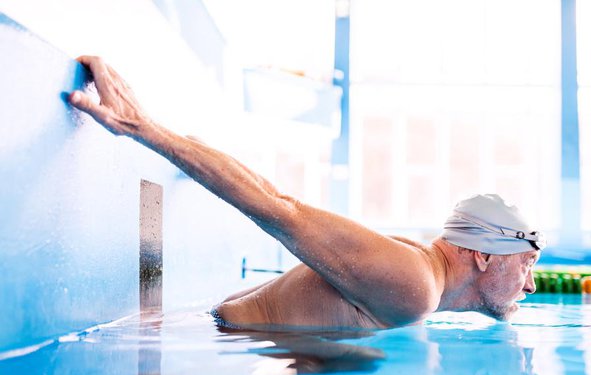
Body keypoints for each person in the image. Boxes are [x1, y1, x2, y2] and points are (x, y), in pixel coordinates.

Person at [68, 56, 545, 330]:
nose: (530, 285)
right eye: (527, 263)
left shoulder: (416, 270)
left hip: (205, 331)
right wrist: (144, 129)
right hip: (208, 343)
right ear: (484, 256)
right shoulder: (415, 285)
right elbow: (281, 210)